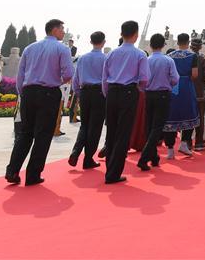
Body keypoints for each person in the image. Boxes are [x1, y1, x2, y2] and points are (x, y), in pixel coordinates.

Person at [6, 19, 74, 186]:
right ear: (54, 30)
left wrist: (24, 93)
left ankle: (12, 171)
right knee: (43, 135)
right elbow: (69, 73)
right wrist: (57, 81)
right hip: (48, 93)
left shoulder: (30, 48)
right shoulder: (62, 49)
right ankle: (33, 174)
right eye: (62, 29)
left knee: (25, 133)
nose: (63, 32)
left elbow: (20, 75)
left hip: (28, 93)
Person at [100, 21, 150, 184]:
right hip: (129, 92)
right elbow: (144, 79)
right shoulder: (140, 54)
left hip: (113, 92)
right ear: (136, 34)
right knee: (123, 134)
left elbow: (104, 79)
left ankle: (110, 170)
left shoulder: (111, 54)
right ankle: (113, 173)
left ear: (121, 34)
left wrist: (108, 94)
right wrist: (138, 89)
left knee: (111, 133)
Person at [137, 33, 179, 171]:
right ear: (163, 45)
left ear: (150, 45)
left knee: (150, 127)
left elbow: (140, 79)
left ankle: (154, 157)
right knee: (156, 127)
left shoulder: (146, 60)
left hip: (148, 94)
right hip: (162, 94)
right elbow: (175, 79)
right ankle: (144, 158)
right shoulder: (168, 60)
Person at [68, 31, 107, 169]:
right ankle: (88, 158)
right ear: (103, 42)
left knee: (84, 125)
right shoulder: (105, 59)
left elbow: (75, 78)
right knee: (95, 127)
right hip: (99, 93)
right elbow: (107, 80)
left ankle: (75, 151)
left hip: (85, 92)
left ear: (91, 42)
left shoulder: (82, 58)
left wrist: (79, 93)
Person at [163, 33, 201, 158]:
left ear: (177, 42)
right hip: (186, 86)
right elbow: (195, 75)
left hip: (173, 87)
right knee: (189, 113)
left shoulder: (169, 56)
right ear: (188, 42)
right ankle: (184, 143)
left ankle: (169, 149)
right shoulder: (192, 56)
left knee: (171, 115)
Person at [186, 38, 205, 150]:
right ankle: (199, 142)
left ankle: (186, 142)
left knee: (187, 117)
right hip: (199, 92)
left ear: (191, 46)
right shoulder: (203, 59)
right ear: (200, 47)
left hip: (187, 92)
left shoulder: (185, 58)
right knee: (200, 117)